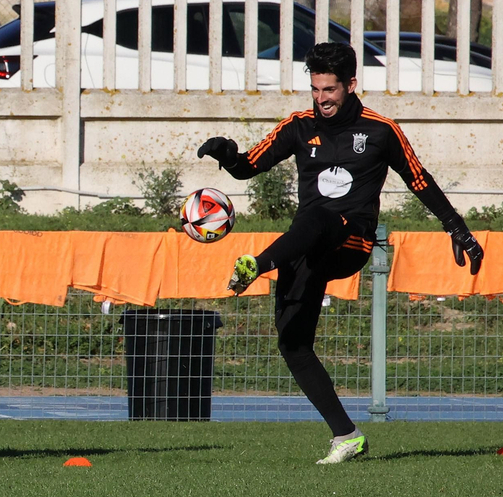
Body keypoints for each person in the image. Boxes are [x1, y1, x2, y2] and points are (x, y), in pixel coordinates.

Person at [198, 42, 482, 465]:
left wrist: (456, 227)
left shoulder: (381, 130)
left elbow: (419, 179)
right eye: (315, 89)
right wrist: (227, 154)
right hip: (304, 245)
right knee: (293, 344)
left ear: (350, 84)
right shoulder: (298, 126)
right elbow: (249, 166)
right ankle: (347, 436)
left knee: (318, 217)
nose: (321, 99)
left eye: (329, 89)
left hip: (351, 241)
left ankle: (256, 264)